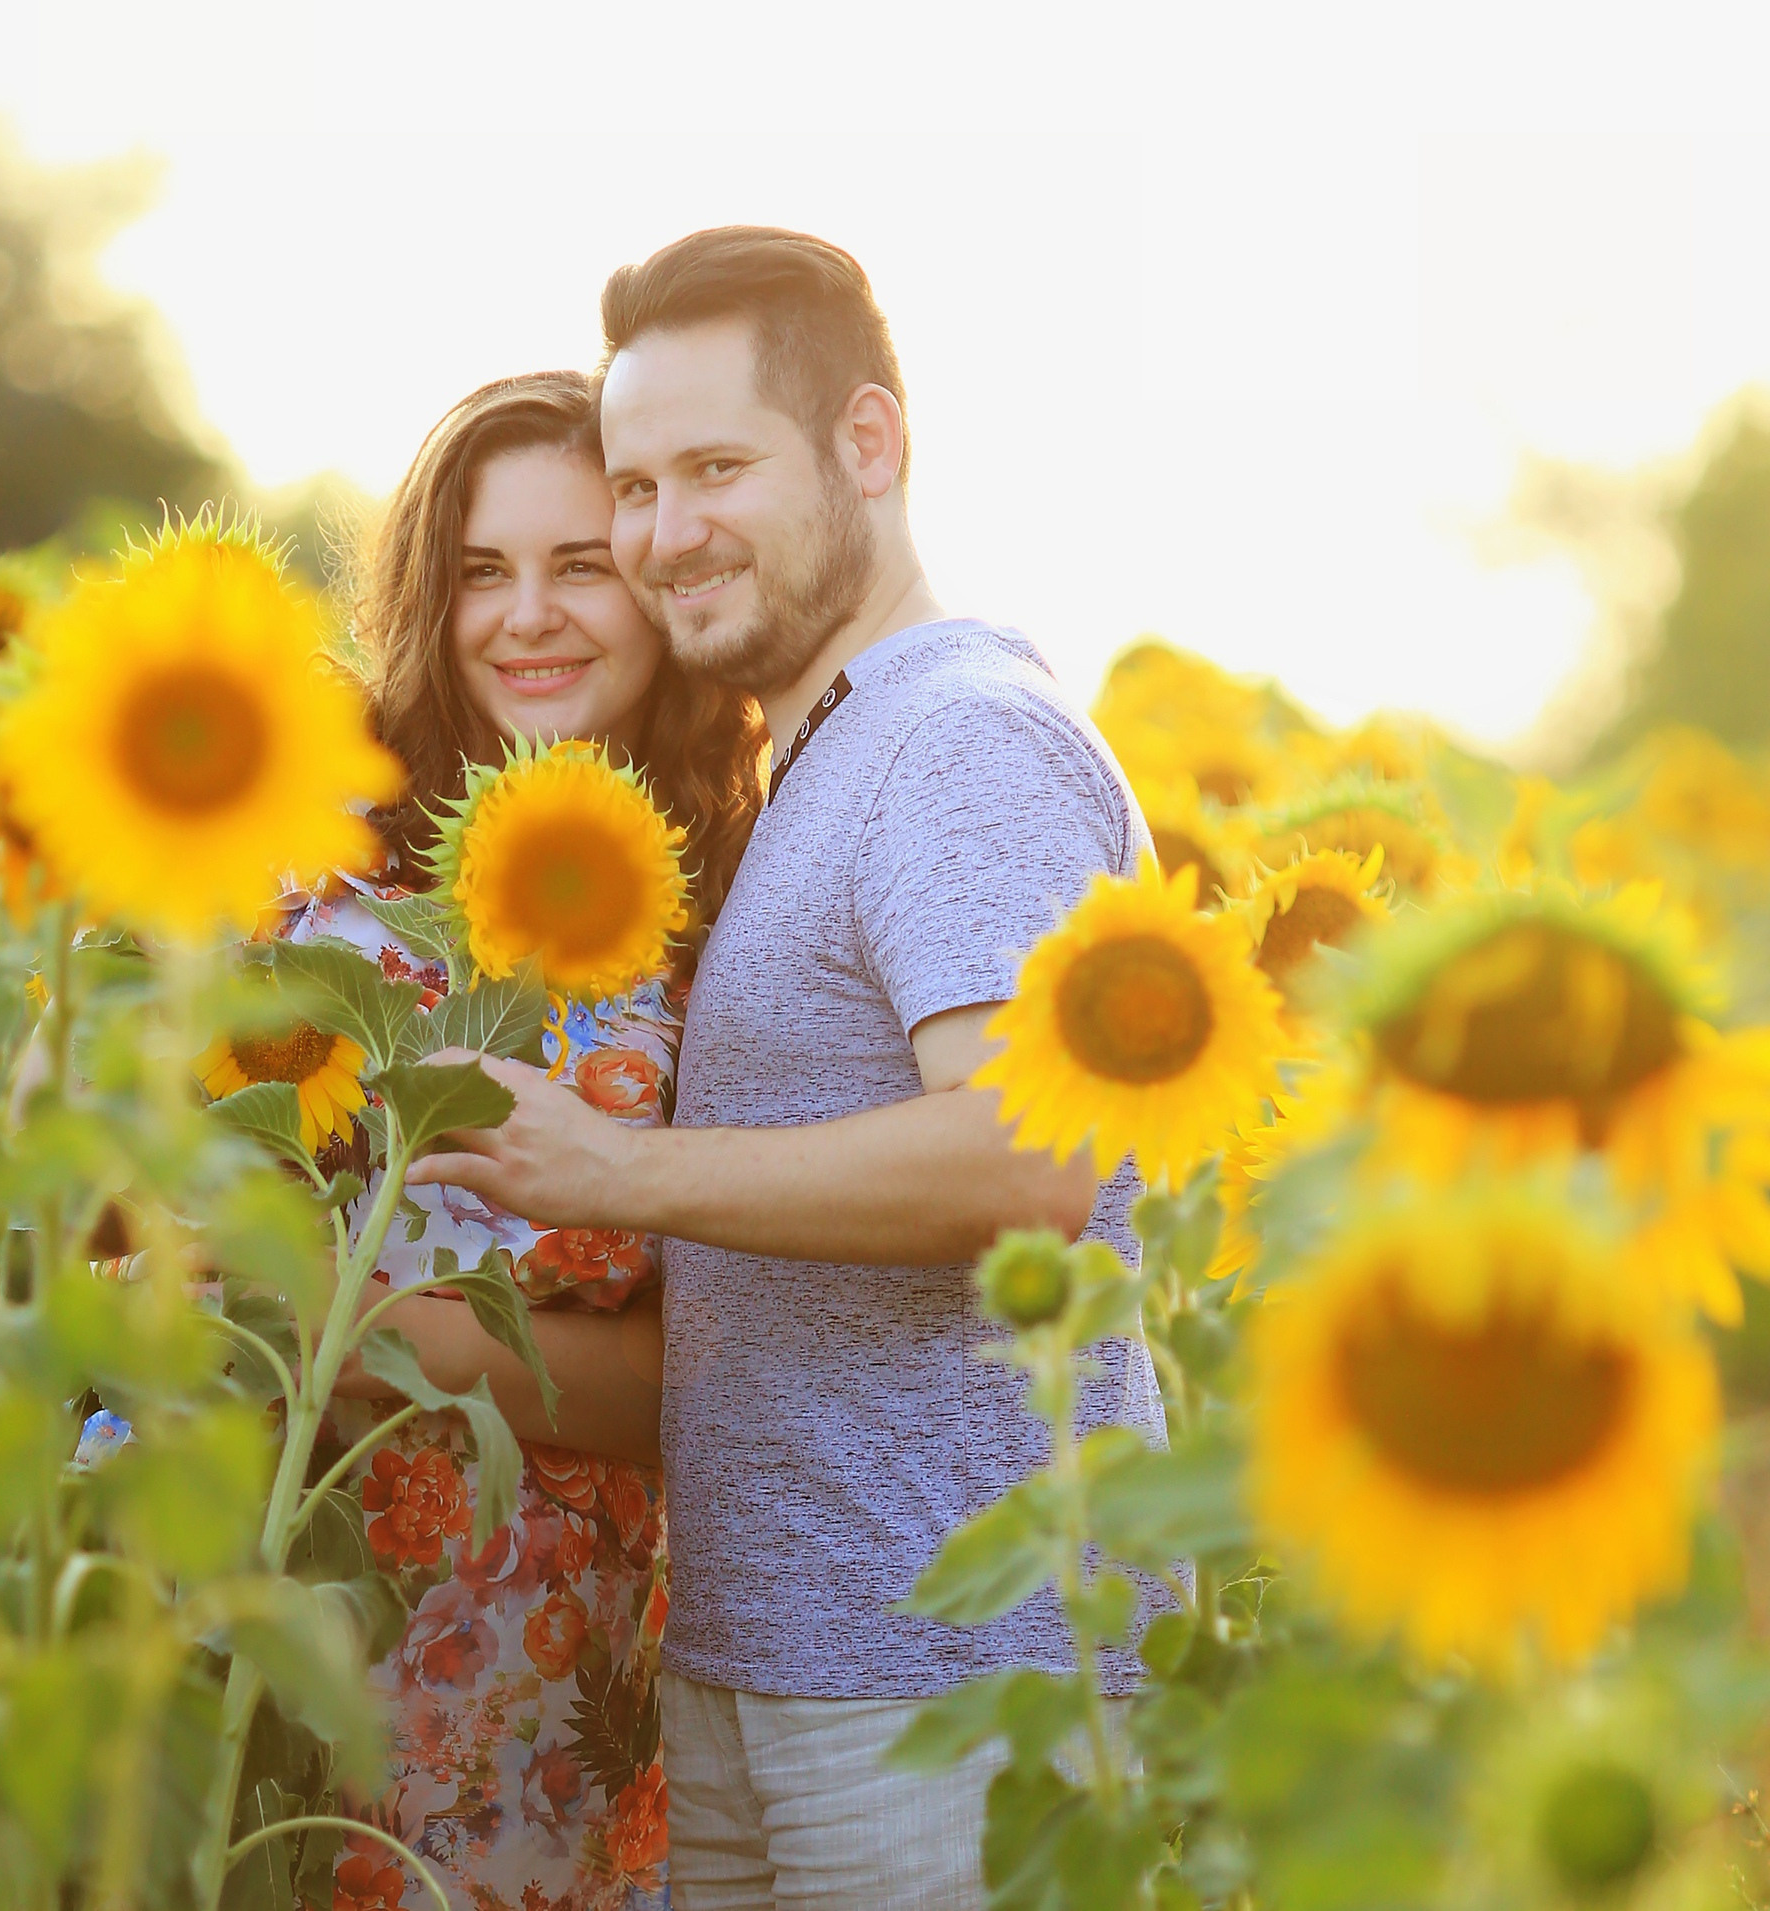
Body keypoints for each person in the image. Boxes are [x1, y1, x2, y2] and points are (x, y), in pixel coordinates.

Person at [406, 229, 1169, 1910]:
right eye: (639, 482)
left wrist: (617, 1176)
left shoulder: (959, 737)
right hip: (786, 1665)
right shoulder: (824, 759)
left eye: (718, 468)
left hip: (945, 1681)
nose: (668, 533)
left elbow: (1028, 1163)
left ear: (871, 446)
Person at [258, 369, 761, 1911]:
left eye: (578, 565)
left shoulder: (723, 935)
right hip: (287, 1614)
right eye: (481, 571)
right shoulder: (315, 903)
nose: (525, 616)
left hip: (560, 1674)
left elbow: (722, 1382)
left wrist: (371, 1332)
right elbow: (183, 1264)